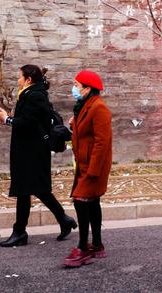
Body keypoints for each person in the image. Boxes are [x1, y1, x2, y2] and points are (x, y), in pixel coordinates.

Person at [0, 65, 77, 247]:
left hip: (32, 151)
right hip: (28, 149)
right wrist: (9, 118)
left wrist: (7, 119)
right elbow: (29, 120)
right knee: (36, 189)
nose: (18, 80)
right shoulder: (30, 94)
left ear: (28, 79)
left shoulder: (35, 95)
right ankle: (63, 220)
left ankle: (20, 232)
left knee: (27, 189)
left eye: (20, 76)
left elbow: (29, 123)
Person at [62, 70, 113, 268]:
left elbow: (102, 142)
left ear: (87, 88)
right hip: (83, 163)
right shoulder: (84, 105)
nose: (74, 88)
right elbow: (86, 134)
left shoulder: (99, 107)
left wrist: (93, 170)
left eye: (77, 85)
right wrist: (74, 125)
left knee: (80, 201)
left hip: (93, 166)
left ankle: (83, 247)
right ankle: (97, 245)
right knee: (92, 203)